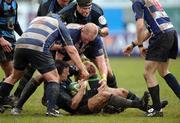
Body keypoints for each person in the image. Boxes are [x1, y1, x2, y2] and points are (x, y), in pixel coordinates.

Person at [0, 13, 89, 116]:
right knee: (54, 78)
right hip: (38, 47)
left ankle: (2, 102)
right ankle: (51, 110)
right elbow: (72, 50)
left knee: (13, 77)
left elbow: (43, 40)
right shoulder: (59, 24)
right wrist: (82, 69)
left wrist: (58, 47)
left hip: (20, 45)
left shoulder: (36, 20)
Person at [12, 60, 150, 115]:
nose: (68, 75)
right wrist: (82, 87)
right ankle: (138, 104)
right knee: (105, 96)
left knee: (122, 91)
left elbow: (73, 79)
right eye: (66, 74)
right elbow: (73, 105)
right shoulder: (55, 89)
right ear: (58, 74)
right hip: (80, 108)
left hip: (83, 97)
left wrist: (84, 78)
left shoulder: (62, 77)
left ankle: (146, 107)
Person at [8, 0, 74, 106]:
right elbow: (40, 23)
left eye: (67, 0)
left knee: (53, 72)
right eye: (63, 0)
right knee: (30, 70)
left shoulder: (73, 5)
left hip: (63, 42)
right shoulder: (46, 5)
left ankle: (47, 99)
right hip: (44, 43)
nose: (65, 2)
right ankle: (17, 96)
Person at [123, 0, 180, 117]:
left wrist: (140, 45)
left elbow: (140, 27)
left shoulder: (137, 2)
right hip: (171, 33)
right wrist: (133, 44)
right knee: (163, 71)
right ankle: (157, 105)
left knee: (148, 73)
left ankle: (157, 109)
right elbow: (149, 29)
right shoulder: (152, 1)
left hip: (161, 36)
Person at [58, 0, 118, 88]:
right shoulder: (66, 12)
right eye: (83, 8)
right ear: (77, 5)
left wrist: (97, 30)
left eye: (88, 8)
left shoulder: (96, 11)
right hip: (73, 42)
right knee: (80, 69)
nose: (86, 11)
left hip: (92, 41)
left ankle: (114, 91)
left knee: (107, 70)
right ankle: (81, 95)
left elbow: (106, 31)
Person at [0, 0, 22, 78]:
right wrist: (1, 40)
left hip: (10, 40)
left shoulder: (14, 3)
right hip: (2, 40)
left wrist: (23, 35)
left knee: (11, 74)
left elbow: (15, 22)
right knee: (11, 73)